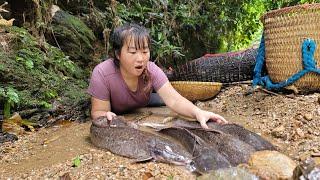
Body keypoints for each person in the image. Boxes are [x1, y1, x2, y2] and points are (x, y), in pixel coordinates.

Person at [87, 23, 227, 129]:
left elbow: (174, 101)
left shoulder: (151, 69)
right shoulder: (102, 73)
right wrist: (105, 116)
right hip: (118, 107)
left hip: (145, 101)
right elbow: (98, 111)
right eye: (133, 52)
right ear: (118, 54)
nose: (141, 59)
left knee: (167, 100)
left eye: (145, 51)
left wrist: (198, 112)